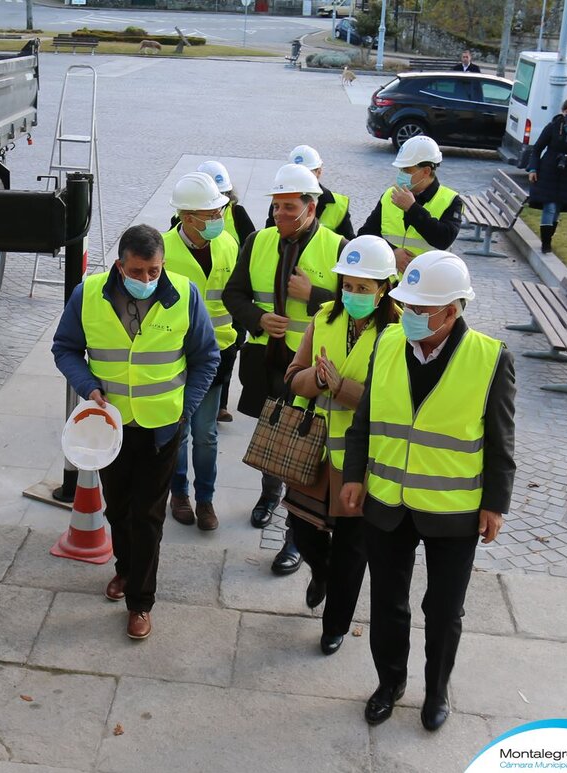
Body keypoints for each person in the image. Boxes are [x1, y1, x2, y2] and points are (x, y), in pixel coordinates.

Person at [339, 251, 516, 732]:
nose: (409, 316)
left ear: (453, 311)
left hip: (452, 510)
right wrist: (354, 475)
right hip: (386, 501)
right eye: (407, 306)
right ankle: (389, 683)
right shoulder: (390, 342)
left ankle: (436, 691)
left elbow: (501, 440)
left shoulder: (489, 358)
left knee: (442, 610)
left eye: (421, 309)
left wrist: (495, 503)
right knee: (387, 601)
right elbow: (365, 420)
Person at [52, 224, 219, 640]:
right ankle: (125, 570)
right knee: (117, 509)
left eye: (154, 271)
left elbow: (206, 357)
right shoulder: (87, 295)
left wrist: (185, 410)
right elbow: (65, 348)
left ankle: (141, 602)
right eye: (139, 271)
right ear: (120, 265)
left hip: (162, 429)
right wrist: (87, 385)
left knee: (148, 515)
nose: (147, 280)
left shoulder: (185, 294)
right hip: (108, 431)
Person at [222, 163, 347, 576]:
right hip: (266, 362)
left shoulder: (338, 246)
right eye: (276, 207)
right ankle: (268, 495)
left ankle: (295, 535)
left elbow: (357, 307)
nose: (279, 216)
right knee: (271, 438)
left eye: (289, 208)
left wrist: (315, 295)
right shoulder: (258, 241)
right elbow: (234, 294)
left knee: (303, 448)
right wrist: (257, 319)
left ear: (311, 208)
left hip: (310, 370)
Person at [284, 235, 400, 656]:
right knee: (302, 529)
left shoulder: (399, 331)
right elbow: (292, 375)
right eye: (347, 285)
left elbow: (396, 401)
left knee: (353, 548)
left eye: (362, 288)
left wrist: (343, 388)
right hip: (312, 448)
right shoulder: (324, 317)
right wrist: (316, 381)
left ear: (383, 288)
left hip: (363, 459)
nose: (352, 295)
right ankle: (321, 572)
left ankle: (336, 624)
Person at [162, 173, 239, 531]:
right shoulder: (163, 250)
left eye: (219, 210)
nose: (218, 218)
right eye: (211, 213)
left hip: (216, 356)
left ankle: (205, 499)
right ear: (187, 217)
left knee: (206, 433)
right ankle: (179, 493)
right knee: (180, 432)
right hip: (174, 358)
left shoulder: (227, 244)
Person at [196, 160, 254, 423]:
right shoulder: (183, 217)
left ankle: (221, 404)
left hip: (232, 296)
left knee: (229, 353)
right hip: (200, 300)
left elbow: (253, 244)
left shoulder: (237, 214)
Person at [357, 135, 463, 275]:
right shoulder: (390, 194)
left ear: (426, 171)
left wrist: (412, 209)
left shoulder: (451, 200)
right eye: (400, 169)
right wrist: (392, 252)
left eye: (406, 170)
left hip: (425, 283)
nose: (401, 174)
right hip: (388, 282)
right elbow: (366, 234)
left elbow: (443, 239)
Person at [526, 94, 567, 254]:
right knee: (550, 207)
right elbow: (537, 148)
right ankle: (546, 243)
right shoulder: (552, 127)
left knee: (557, 209)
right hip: (549, 171)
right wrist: (533, 169)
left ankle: (548, 238)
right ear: (562, 111)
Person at [265, 145, 355, 241]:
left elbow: (348, 243)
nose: (301, 179)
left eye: (307, 174)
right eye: (295, 175)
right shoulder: (281, 201)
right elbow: (270, 236)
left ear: (319, 172)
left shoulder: (338, 204)